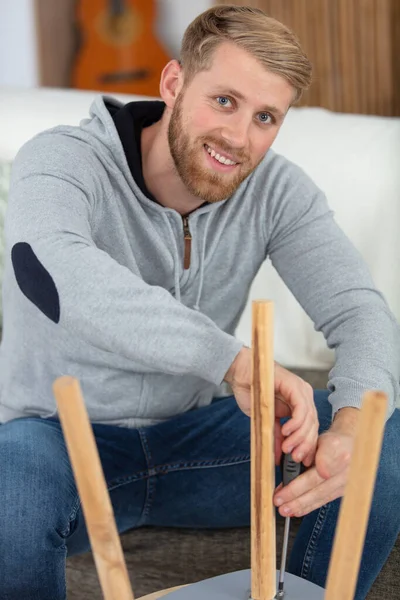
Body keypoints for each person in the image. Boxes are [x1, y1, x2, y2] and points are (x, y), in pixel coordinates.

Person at [0, 4, 399, 599]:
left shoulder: (277, 190)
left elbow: (359, 309)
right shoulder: (62, 160)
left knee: (381, 435)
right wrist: (233, 361)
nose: (239, 138)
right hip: (57, 440)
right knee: (12, 483)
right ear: (172, 83)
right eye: (224, 101)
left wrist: (349, 428)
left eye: (266, 116)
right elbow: (55, 273)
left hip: (199, 443)